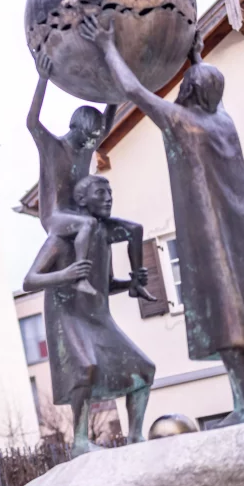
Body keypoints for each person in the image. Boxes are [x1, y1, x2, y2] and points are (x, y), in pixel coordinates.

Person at [80, 14, 244, 428]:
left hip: (207, 231)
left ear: (190, 92)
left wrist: (106, 46)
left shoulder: (184, 122)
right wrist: (196, 55)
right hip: (233, 229)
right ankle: (243, 400)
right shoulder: (220, 121)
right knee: (234, 311)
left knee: (225, 314)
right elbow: (217, 95)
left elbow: (134, 90)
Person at [23, 174, 156, 455]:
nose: (108, 199)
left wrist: (131, 284)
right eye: (100, 193)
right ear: (82, 200)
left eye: (110, 194)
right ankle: (80, 441)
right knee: (85, 368)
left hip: (97, 317)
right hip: (68, 315)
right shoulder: (61, 240)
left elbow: (104, 285)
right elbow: (30, 280)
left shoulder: (101, 237)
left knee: (144, 370)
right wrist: (65, 274)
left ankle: (135, 437)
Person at [28, 51, 118, 295]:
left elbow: (107, 126)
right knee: (89, 223)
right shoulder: (52, 146)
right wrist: (43, 80)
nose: (93, 141)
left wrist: (115, 94)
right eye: (90, 136)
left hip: (77, 213)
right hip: (55, 215)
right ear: (78, 128)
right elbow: (32, 123)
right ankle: (80, 278)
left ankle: (111, 279)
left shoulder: (85, 148)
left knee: (104, 226)